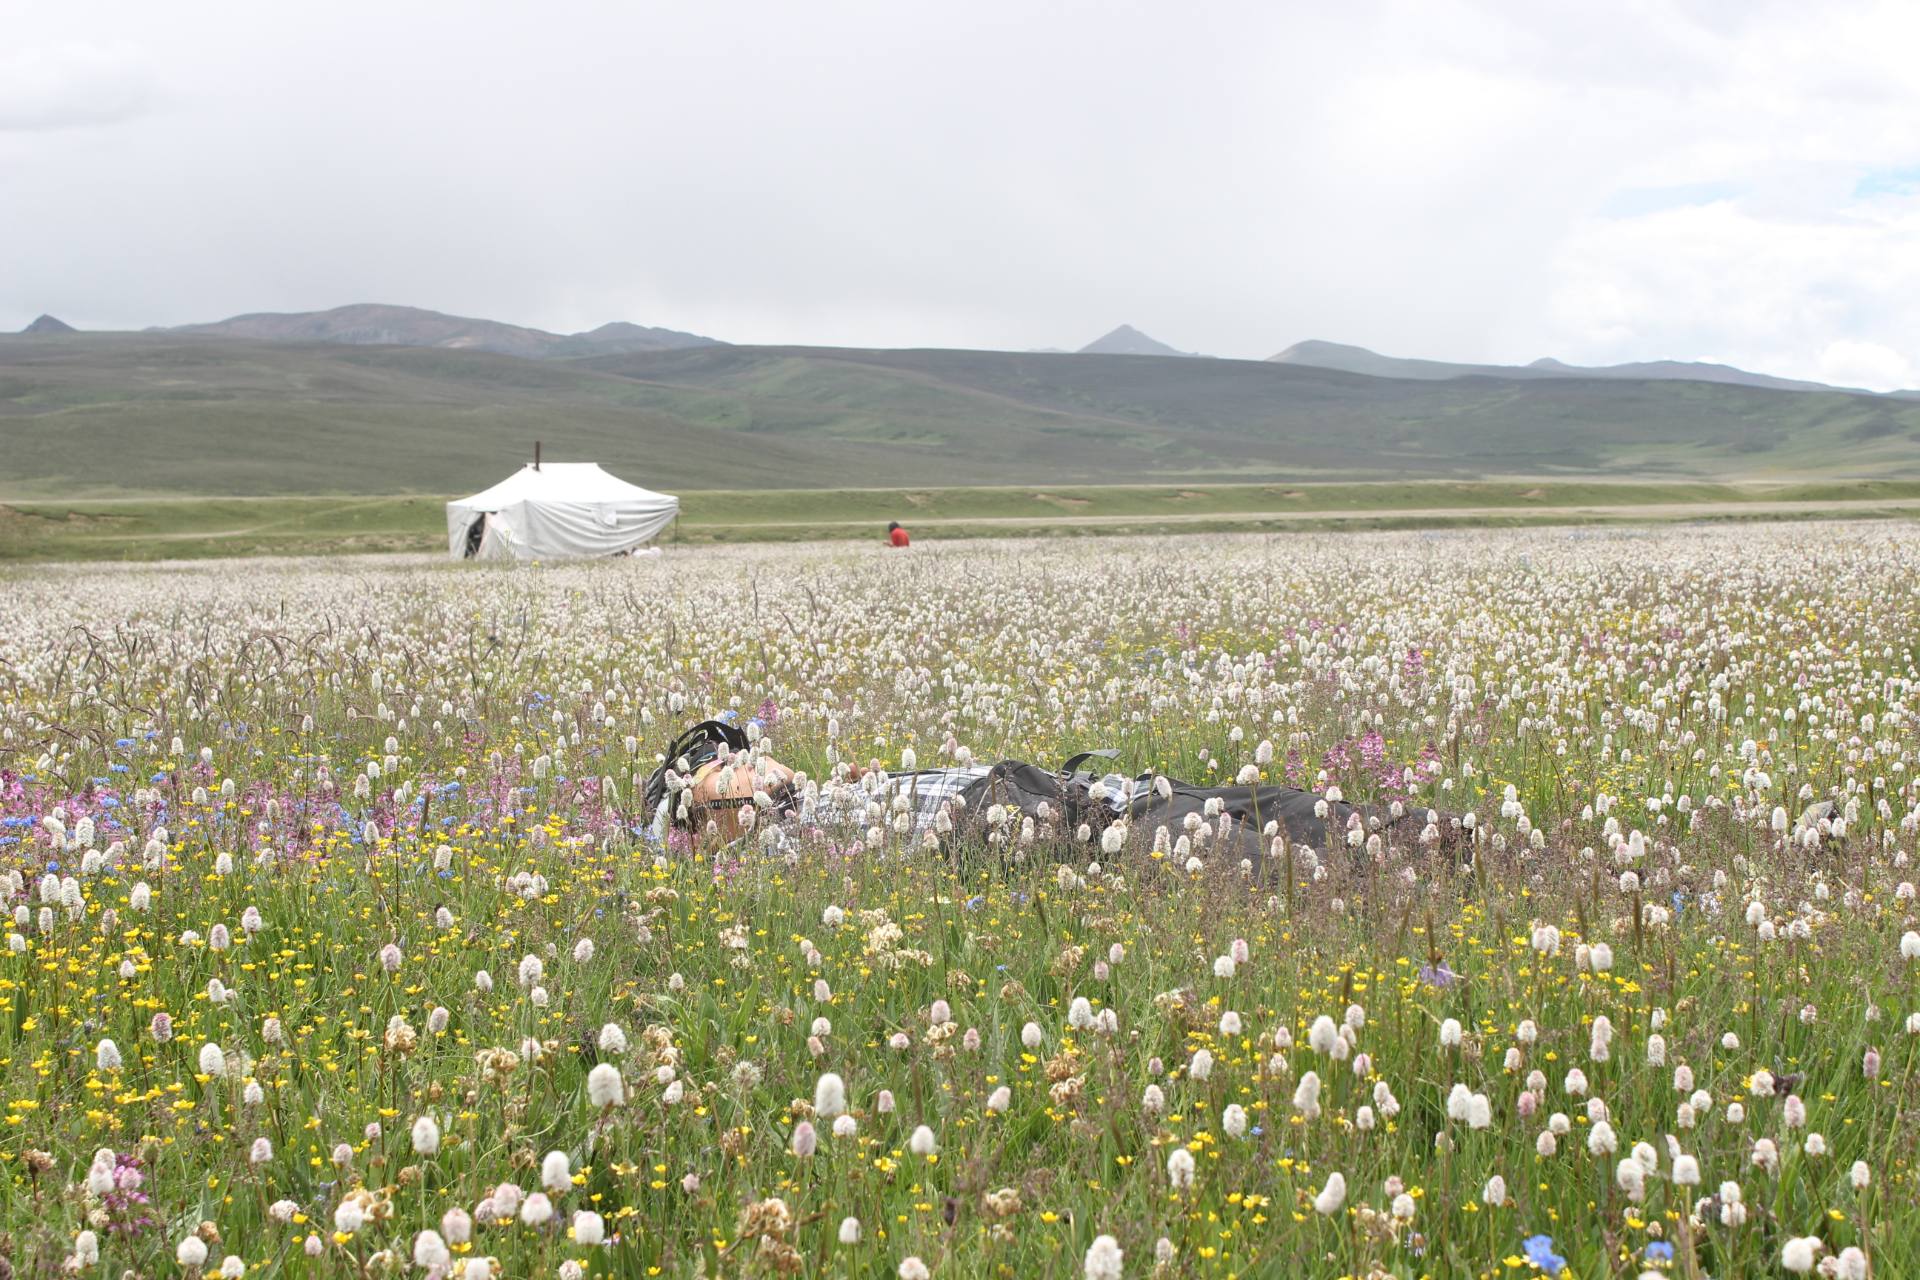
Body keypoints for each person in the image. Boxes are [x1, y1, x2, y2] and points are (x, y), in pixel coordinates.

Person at [643, 721, 1468, 868]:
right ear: (713, 822)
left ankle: (1454, 839)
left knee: (1273, 803)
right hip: (1007, 819)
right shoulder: (784, 847)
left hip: (1063, 792)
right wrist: (661, 826)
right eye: (723, 771)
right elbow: (660, 839)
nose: (753, 764)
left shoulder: (834, 791)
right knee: (1240, 847)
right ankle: (1422, 862)